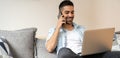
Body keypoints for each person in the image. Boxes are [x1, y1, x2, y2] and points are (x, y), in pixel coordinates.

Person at [45, 0, 120, 58]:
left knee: (115, 54)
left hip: (86, 55)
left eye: (72, 12)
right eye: (67, 12)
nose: (70, 15)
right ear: (60, 14)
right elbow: (49, 48)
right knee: (63, 51)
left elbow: (91, 46)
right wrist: (58, 27)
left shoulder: (81, 29)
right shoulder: (54, 30)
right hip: (69, 55)